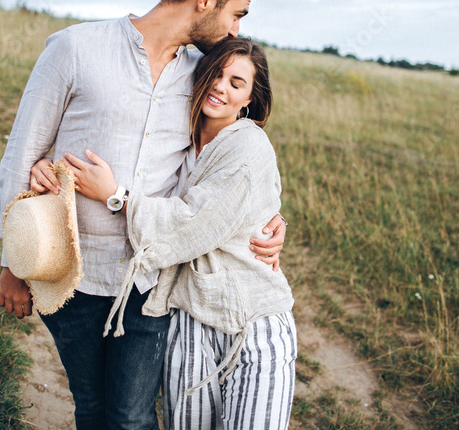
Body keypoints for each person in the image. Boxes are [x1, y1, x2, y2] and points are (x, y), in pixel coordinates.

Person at [0, 0, 288, 430]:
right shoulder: (75, 47)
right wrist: (11, 264)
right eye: (237, 14)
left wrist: (270, 223)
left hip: (150, 278)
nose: (237, 30)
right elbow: (20, 154)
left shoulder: (203, 77)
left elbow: (230, 165)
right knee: (90, 408)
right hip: (70, 272)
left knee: (131, 417)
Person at [67, 38, 296, 430]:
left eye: (236, 83)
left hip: (250, 322)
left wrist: (116, 197)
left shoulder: (249, 146)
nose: (221, 87)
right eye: (216, 74)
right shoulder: (180, 140)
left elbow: (192, 223)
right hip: (187, 320)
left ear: (249, 100)